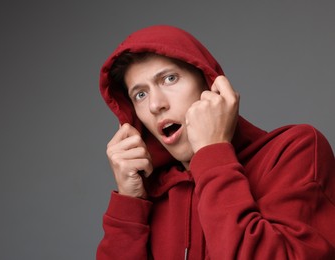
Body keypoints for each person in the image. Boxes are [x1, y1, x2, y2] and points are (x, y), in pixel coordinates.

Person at [96, 25, 335, 260]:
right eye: (140, 94)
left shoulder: (294, 151)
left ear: (209, 84)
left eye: (170, 79)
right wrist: (129, 203)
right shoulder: (152, 193)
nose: (155, 104)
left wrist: (212, 153)